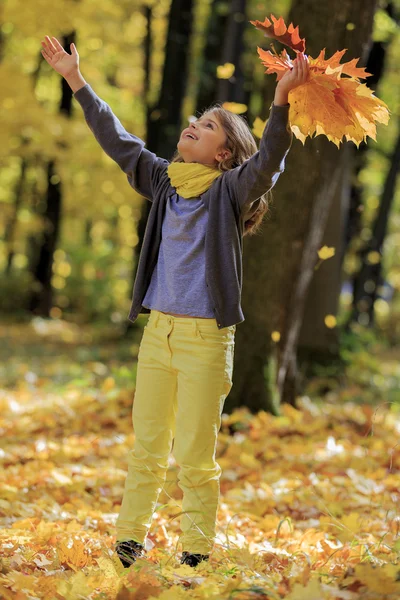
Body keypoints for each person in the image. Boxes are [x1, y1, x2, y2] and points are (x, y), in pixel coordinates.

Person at [40, 35, 309, 568]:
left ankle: (196, 553)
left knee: (193, 455)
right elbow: (118, 142)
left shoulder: (231, 191)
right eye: (197, 119)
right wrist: (76, 80)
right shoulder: (163, 182)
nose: (194, 123)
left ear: (224, 153)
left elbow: (271, 160)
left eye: (208, 125)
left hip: (206, 340)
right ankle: (127, 543)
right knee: (147, 448)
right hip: (157, 334)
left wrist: (281, 102)